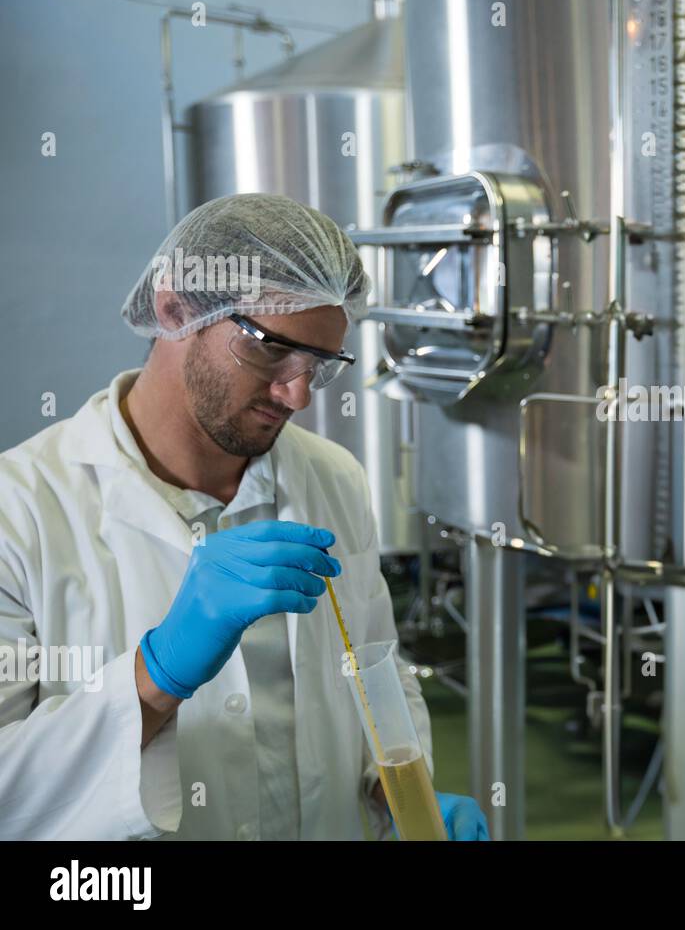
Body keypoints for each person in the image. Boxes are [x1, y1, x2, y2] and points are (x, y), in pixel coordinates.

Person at [0, 194, 488, 840]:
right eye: (271, 349)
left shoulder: (332, 478)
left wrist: (395, 790)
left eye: (320, 365)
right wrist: (157, 676)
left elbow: (376, 670)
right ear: (175, 308)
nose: (298, 394)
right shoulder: (21, 510)